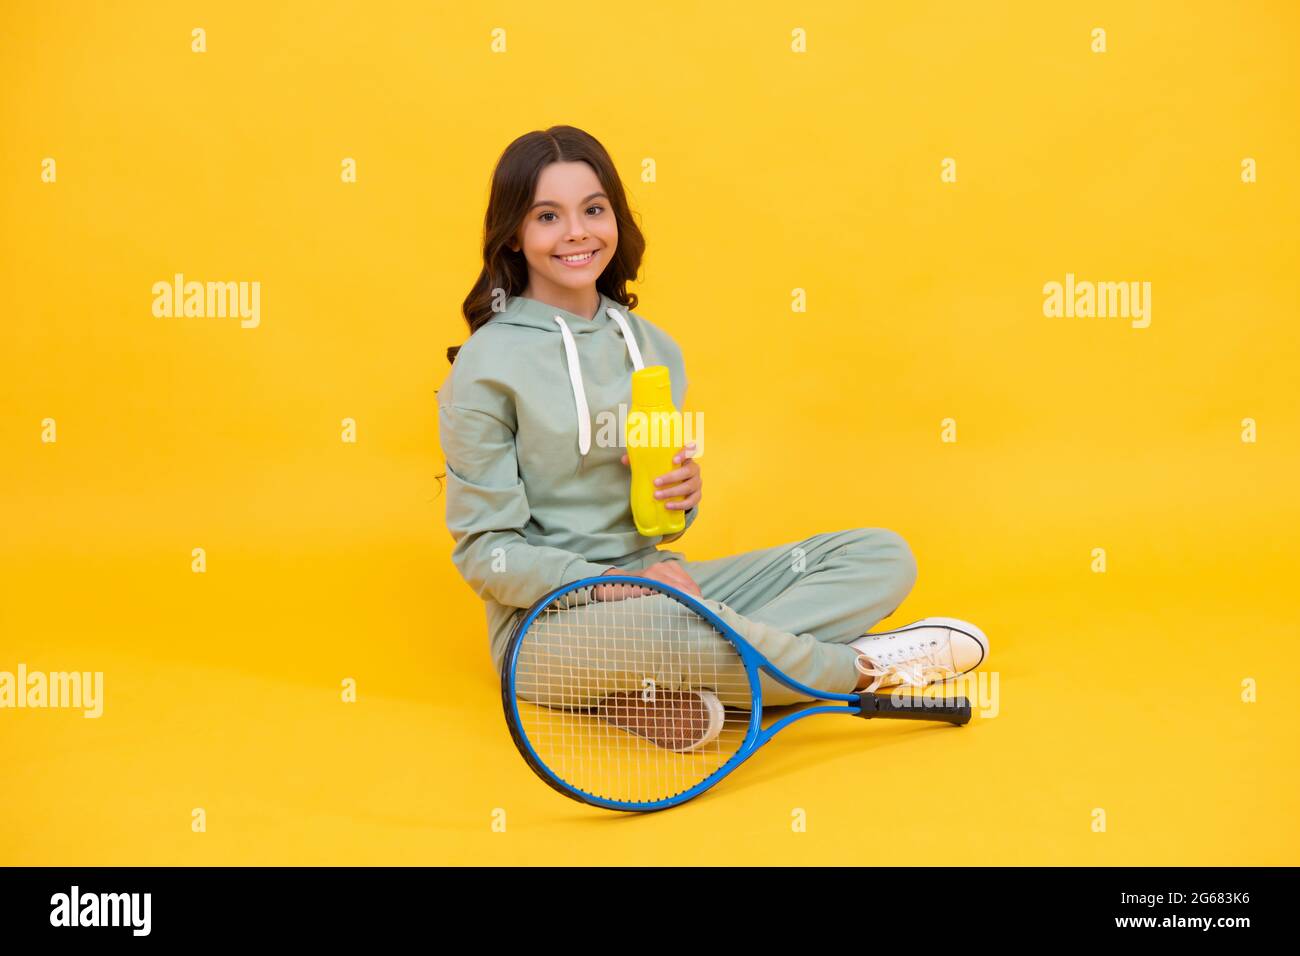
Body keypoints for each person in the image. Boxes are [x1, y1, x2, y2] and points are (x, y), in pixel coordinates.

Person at [437, 125, 989, 751]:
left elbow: (662, 528)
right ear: (514, 233)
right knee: (672, 630)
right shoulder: (486, 365)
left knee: (881, 555)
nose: (577, 233)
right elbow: (487, 555)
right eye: (547, 216)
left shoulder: (652, 348)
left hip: (668, 583)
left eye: (594, 209)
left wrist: (683, 496)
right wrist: (619, 585)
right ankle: (862, 668)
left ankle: (673, 690)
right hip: (548, 625)